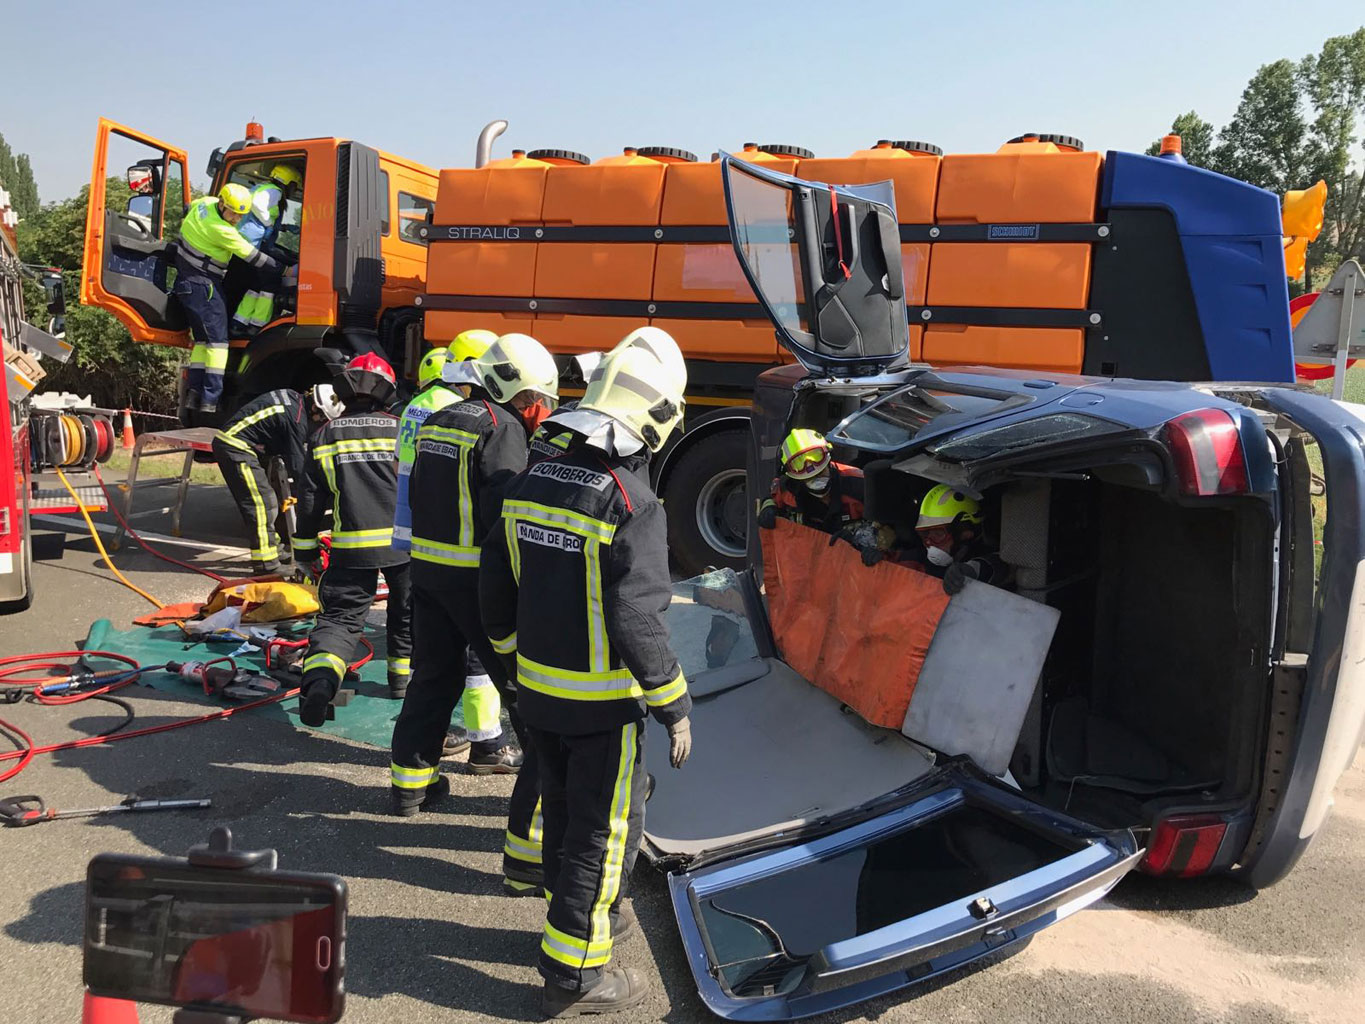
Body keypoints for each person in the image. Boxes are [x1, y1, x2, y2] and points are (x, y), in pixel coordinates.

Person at [480, 331, 692, 1017]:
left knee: (562, 814)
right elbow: (638, 620)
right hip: (604, 707)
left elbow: (496, 587)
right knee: (601, 838)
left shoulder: (529, 480)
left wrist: (512, 659)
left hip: (537, 693)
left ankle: (568, 922)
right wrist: (674, 703)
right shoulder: (631, 503)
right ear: (653, 420)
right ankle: (575, 976)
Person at [388, 333, 558, 837]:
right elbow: (503, 514)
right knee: (518, 683)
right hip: (476, 580)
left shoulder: (440, 418)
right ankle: (555, 784)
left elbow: (415, 491)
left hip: (428, 573)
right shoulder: (502, 429)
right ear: (522, 396)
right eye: (539, 403)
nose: (539, 413)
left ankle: (410, 788)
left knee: (432, 679)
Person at [391, 328, 508, 767]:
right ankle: (491, 745)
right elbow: (494, 499)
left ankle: (410, 785)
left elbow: (412, 480)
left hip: (421, 550)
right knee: (491, 666)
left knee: (432, 673)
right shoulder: (482, 419)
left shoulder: (422, 410)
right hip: (468, 565)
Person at [294, 353, 411, 726]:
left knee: (341, 620)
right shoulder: (402, 428)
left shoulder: (324, 435)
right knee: (406, 613)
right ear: (387, 389)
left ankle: (320, 683)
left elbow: (310, 502)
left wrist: (306, 551)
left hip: (350, 549)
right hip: (402, 547)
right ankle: (400, 682)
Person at [174, 184, 286, 418]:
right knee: (219, 344)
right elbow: (252, 256)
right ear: (222, 204)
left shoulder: (205, 204)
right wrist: (285, 270)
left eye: (241, 215)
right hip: (204, 286)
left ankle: (195, 393)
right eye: (233, 213)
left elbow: (189, 206)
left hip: (187, 283)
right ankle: (211, 399)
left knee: (202, 342)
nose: (236, 219)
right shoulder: (223, 231)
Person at [211, 384, 343, 575]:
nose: (320, 423)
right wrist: (318, 495)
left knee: (269, 502)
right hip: (236, 448)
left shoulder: (293, 400)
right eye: (322, 418)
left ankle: (275, 550)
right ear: (315, 408)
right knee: (262, 504)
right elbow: (298, 469)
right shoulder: (295, 420)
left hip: (242, 446)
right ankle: (266, 564)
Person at [230, 163, 303, 335]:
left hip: (249, 241)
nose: (293, 190)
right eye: (294, 186)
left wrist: (283, 227)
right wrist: (269, 223)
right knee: (270, 283)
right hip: (256, 243)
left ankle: (238, 324)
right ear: (288, 183)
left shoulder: (260, 187)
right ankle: (257, 326)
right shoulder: (274, 191)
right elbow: (257, 205)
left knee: (255, 286)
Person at [913, 484, 1007, 594]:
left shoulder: (989, 555)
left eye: (938, 534)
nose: (929, 542)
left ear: (966, 533)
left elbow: (999, 566)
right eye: (925, 534)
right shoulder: (920, 559)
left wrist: (971, 569)